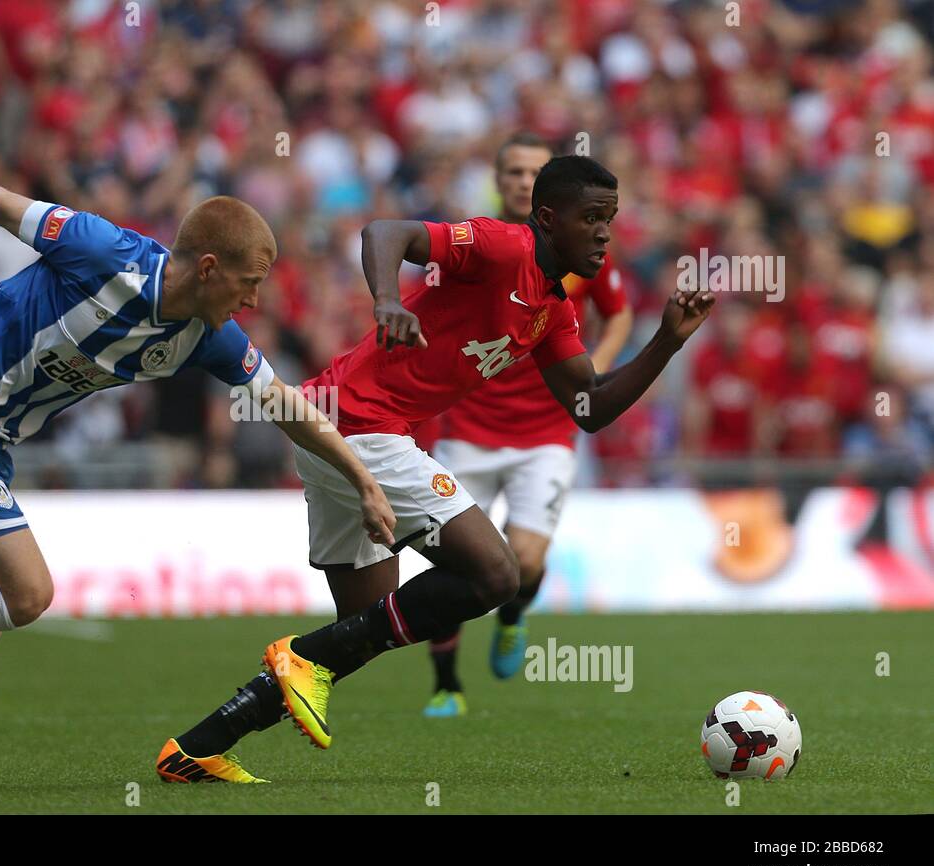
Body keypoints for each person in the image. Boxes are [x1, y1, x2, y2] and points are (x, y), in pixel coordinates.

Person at [0, 170, 396, 793]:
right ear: (209, 267)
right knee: (27, 596)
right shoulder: (103, 251)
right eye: (249, 283)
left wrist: (363, 480)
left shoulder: (207, 337)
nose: (254, 301)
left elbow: (285, 404)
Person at [156, 155, 714, 782]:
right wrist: (388, 301)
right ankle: (300, 658)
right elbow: (383, 233)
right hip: (362, 427)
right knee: (496, 574)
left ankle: (199, 746)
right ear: (549, 219)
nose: (606, 234)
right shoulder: (504, 247)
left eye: (610, 220)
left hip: (331, 430)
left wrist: (668, 339)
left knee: (361, 632)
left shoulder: (554, 311)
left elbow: (587, 408)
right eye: (592, 218)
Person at [422, 134, 633, 718]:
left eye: (532, 172)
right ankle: (446, 685)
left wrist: (598, 370)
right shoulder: (479, 247)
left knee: (526, 562)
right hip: (468, 429)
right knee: (454, 561)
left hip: (545, 433)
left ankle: (513, 613)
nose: (520, 180)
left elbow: (620, 313)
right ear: (500, 180)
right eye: (512, 171)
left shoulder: (584, 251)